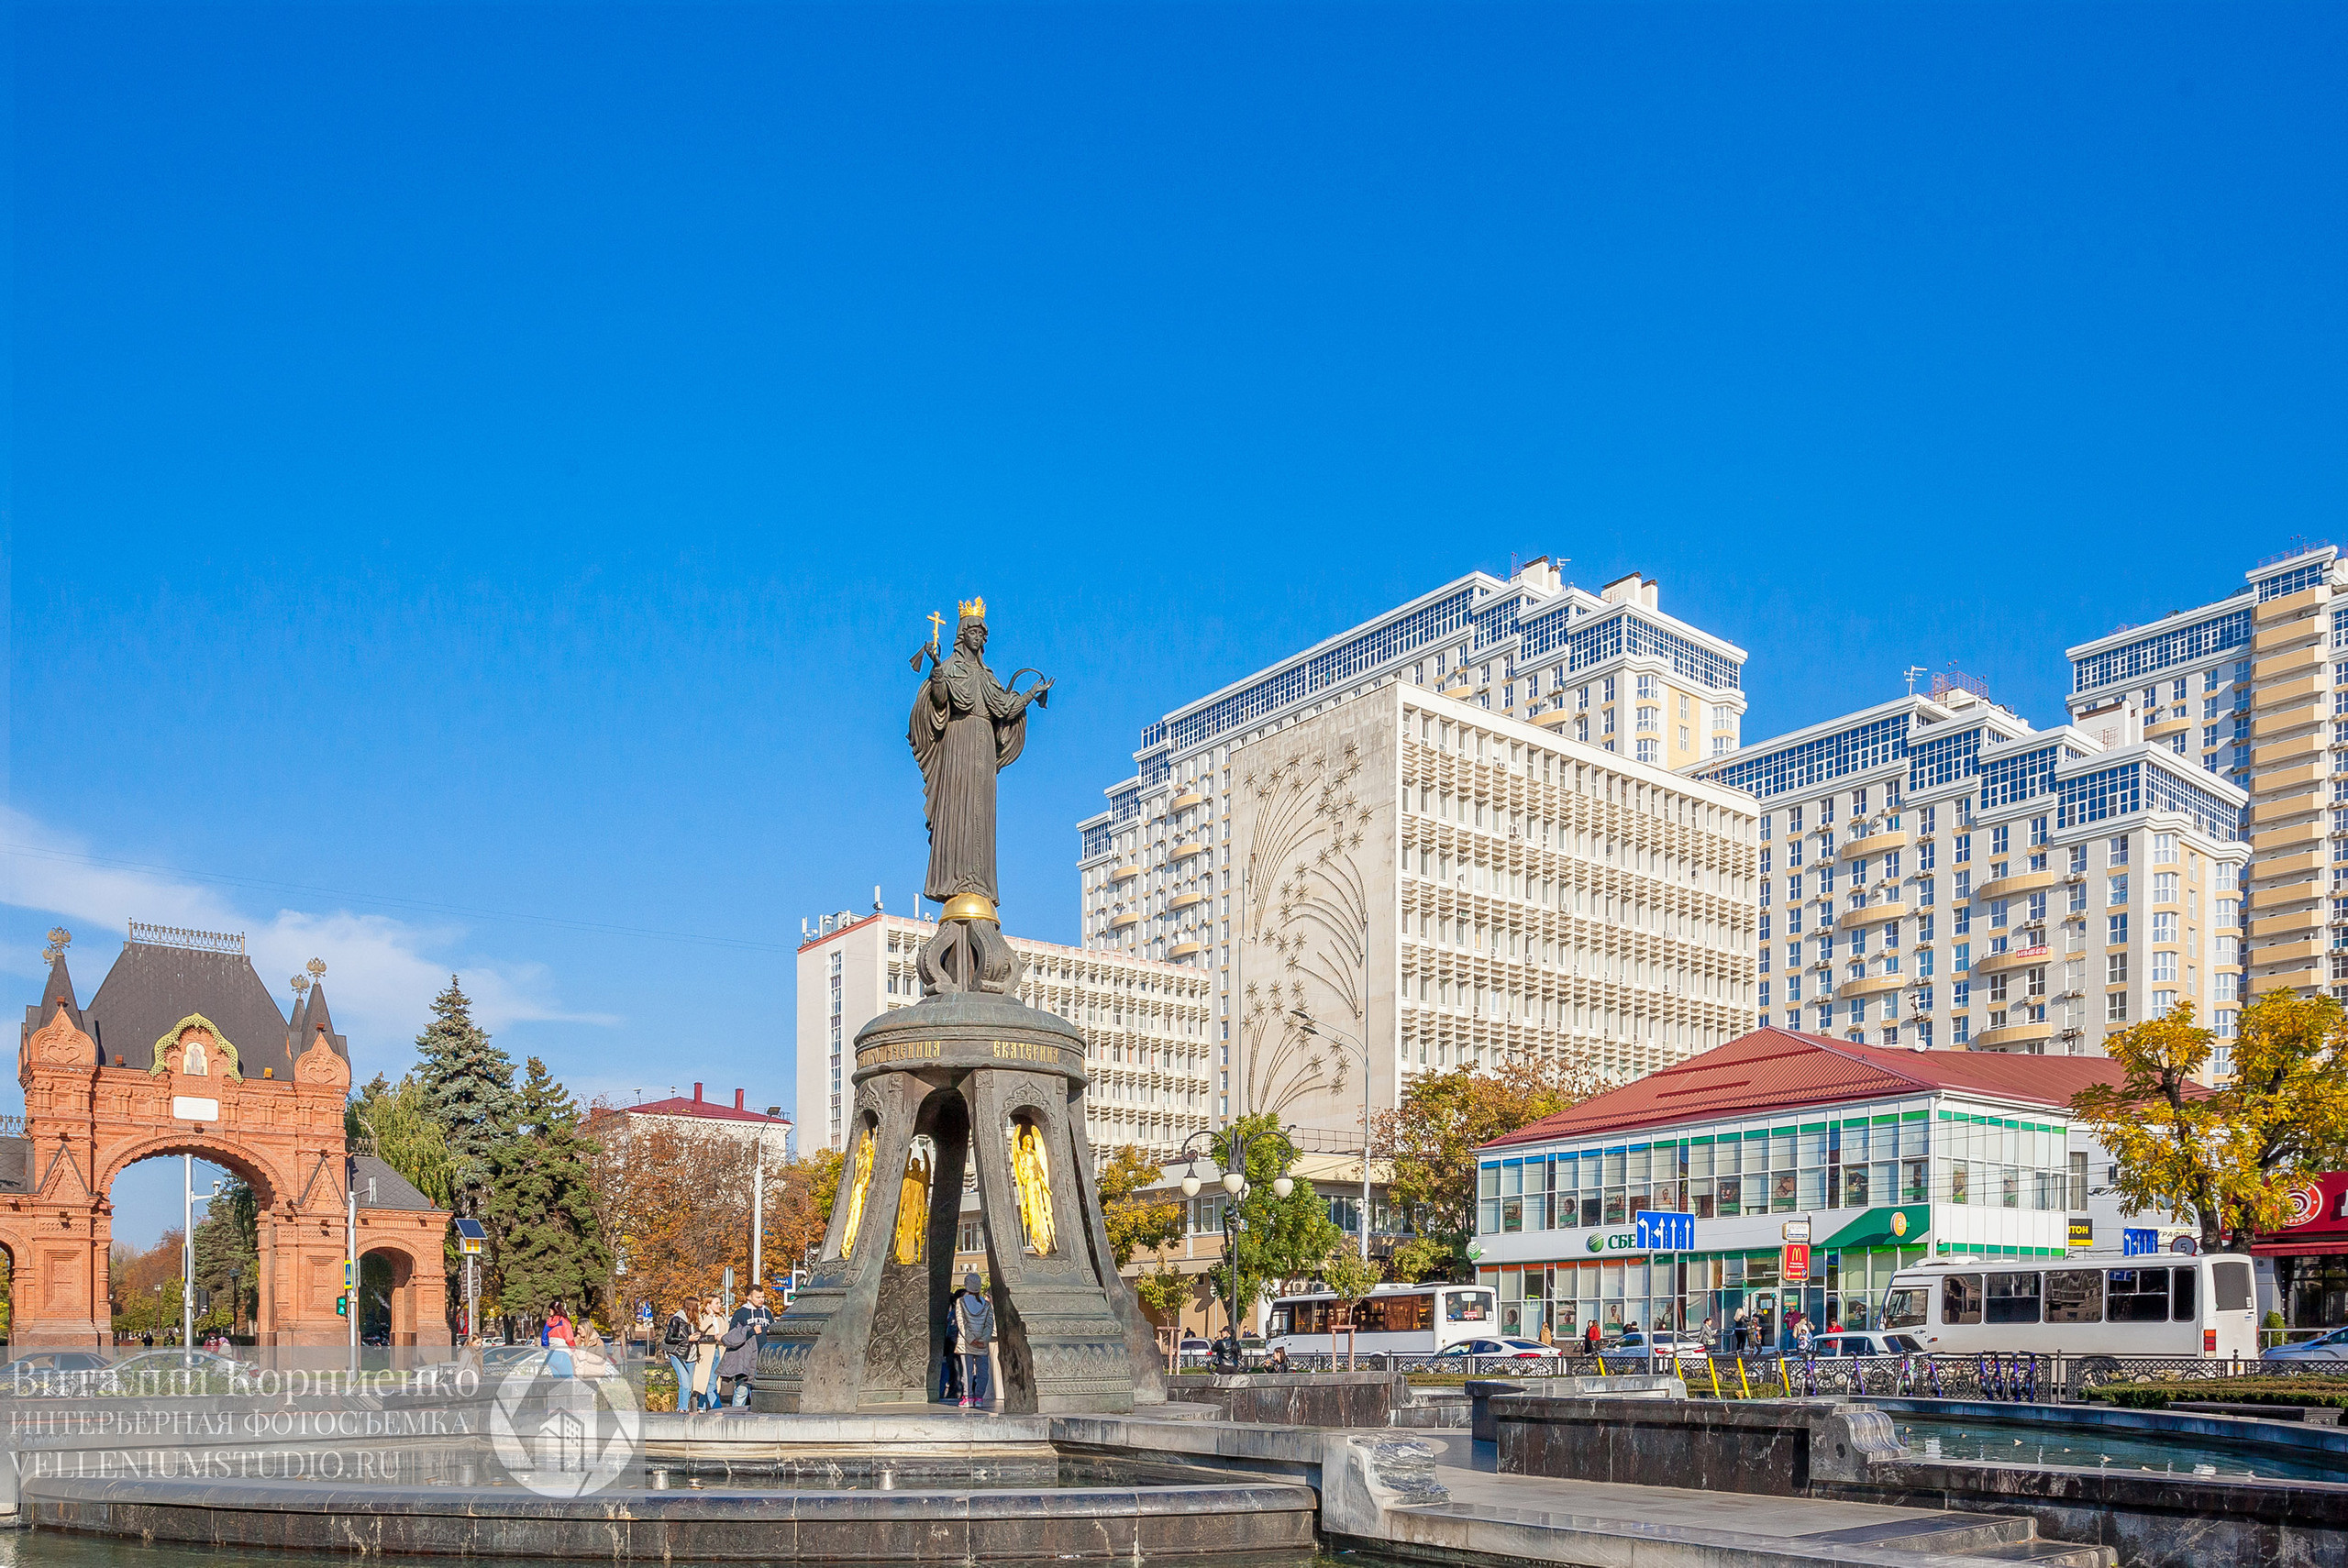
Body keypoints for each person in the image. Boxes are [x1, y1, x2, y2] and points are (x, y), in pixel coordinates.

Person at [717, 1286, 771, 1407]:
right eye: (758, 1297)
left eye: (763, 1297)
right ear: (748, 1297)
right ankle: (736, 1415)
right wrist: (750, 1331)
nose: (761, 1300)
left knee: (760, 1389)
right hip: (746, 1358)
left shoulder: (767, 1313)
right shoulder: (741, 1313)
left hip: (764, 1356)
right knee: (742, 1389)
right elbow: (732, 1336)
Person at [953, 1273, 995, 1408]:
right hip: (982, 1344)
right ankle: (979, 1397)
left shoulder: (961, 1302)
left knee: (967, 1372)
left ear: (966, 1285)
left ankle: (968, 1397)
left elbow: (961, 1323)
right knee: (983, 1372)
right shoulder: (986, 1305)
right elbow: (989, 1325)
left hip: (966, 1344)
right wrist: (983, 1339)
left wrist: (971, 1339)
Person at [691, 1296, 727, 1413]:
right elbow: (701, 1328)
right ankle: (717, 1408)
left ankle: (701, 1405)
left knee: (712, 1379)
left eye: (720, 1303)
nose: (719, 1305)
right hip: (706, 1352)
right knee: (709, 1380)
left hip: (719, 1350)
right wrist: (710, 1315)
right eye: (716, 1303)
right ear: (708, 1305)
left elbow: (727, 1332)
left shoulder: (722, 1318)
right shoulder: (703, 1317)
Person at [662, 1300, 699, 1411]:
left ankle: (686, 1408)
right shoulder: (677, 1319)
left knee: (689, 1384)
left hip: (691, 1356)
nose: (700, 1308)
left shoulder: (694, 1320)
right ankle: (681, 1408)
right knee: (685, 1383)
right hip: (678, 1354)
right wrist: (687, 1339)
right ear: (691, 1307)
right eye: (698, 1305)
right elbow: (669, 1338)